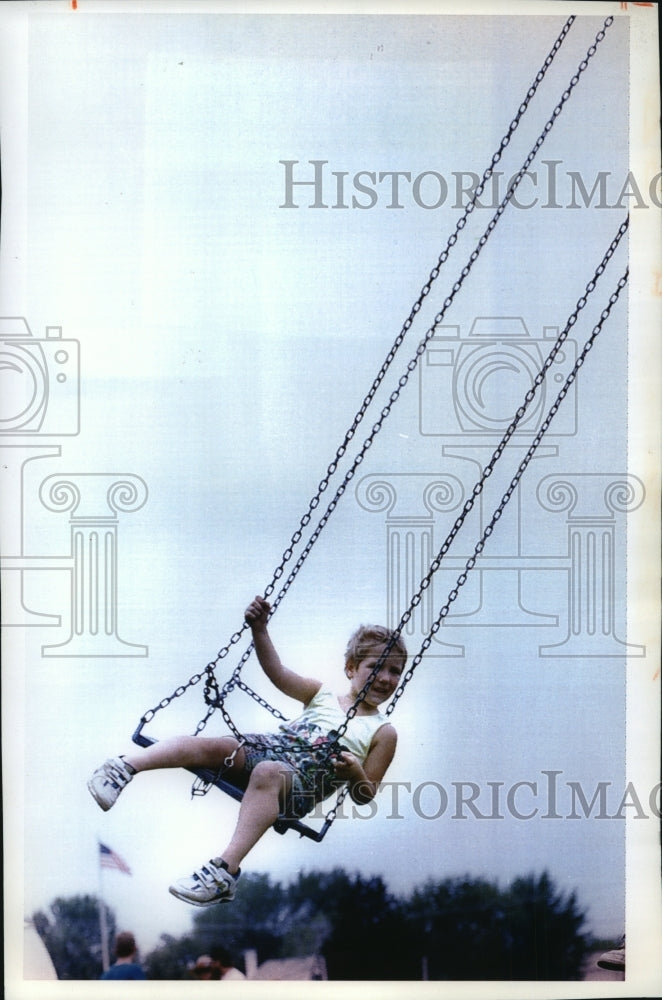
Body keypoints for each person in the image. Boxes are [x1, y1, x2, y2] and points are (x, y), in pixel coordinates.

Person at [88, 595, 407, 908]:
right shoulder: (321, 694)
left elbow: (366, 793)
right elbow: (277, 673)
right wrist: (259, 629)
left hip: (298, 788)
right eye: (376, 667)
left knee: (268, 772)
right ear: (351, 668)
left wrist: (354, 773)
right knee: (219, 746)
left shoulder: (383, 732)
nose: (385, 678)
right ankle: (123, 768)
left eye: (395, 671)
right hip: (269, 749)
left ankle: (224, 871)